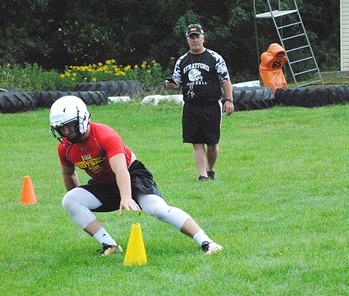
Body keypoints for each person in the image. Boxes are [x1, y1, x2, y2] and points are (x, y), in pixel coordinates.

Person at [49, 95, 223, 256]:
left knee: (156, 208)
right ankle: (110, 245)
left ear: (83, 118)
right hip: (103, 182)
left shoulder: (104, 135)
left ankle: (206, 241)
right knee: (70, 200)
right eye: (61, 128)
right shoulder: (65, 147)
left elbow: (121, 170)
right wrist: (78, 203)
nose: (65, 132)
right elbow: (69, 173)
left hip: (132, 176)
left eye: (69, 125)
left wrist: (125, 196)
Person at [165, 23, 234, 181]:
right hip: (191, 106)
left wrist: (228, 100)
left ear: (203, 37)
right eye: (192, 37)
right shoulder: (182, 61)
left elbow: (225, 80)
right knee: (196, 141)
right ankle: (202, 175)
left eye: (197, 37)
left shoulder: (215, 58)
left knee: (212, 143)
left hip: (211, 105)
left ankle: (210, 169)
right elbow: (177, 82)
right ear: (187, 40)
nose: (195, 40)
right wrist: (172, 85)